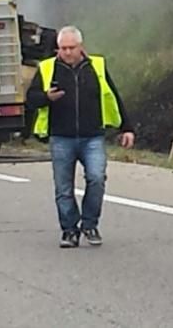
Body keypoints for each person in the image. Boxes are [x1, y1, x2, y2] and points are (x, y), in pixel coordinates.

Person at [26, 25, 135, 248]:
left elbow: (112, 95)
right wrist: (47, 97)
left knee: (96, 179)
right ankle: (69, 230)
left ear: (81, 47)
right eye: (62, 48)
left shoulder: (96, 66)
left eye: (71, 48)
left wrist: (127, 127)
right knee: (63, 188)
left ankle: (89, 224)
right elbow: (31, 99)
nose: (66, 52)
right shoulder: (48, 69)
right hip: (61, 137)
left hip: (92, 136)